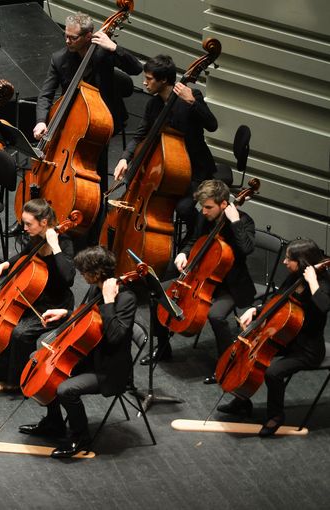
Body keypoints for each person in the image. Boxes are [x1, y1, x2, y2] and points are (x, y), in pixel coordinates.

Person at [33, 12, 142, 243]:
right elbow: (46, 94)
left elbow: (136, 69)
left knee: (96, 176)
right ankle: (38, 213)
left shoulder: (104, 53)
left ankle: (93, 227)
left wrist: (114, 47)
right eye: (66, 36)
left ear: (88, 36)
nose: (67, 41)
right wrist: (42, 120)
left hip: (100, 122)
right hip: (69, 120)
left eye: (73, 38)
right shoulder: (60, 58)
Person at [19, 246, 136, 458]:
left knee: (65, 389)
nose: (81, 276)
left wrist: (109, 301)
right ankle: (54, 422)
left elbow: (115, 336)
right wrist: (66, 313)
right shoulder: (95, 289)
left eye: (84, 272)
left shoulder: (125, 299)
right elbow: (88, 317)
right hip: (88, 356)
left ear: (97, 273)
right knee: (40, 364)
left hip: (109, 369)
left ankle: (80, 437)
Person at [146, 180, 256, 383]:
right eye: (202, 207)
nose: (203, 211)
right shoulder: (204, 219)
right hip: (200, 276)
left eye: (208, 207)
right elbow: (192, 240)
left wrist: (235, 222)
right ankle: (163, 348)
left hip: (229, 284)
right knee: (157, 294)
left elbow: (248, 248)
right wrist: (184, 253)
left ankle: (224, 365)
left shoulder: (244, 221)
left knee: (216, 316)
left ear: (224, 204)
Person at [216, 239, 330, 436]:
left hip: (307, 349)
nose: (285, 262)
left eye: (289, 259)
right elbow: (278, 301)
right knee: (247, 349)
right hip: (286, 337)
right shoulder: (295, 276)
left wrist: (312, 281)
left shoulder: (323, 282)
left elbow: (324, 306)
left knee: (273, 372)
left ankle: (275, 416)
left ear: (302, 262)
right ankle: (242, 401)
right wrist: (256, 310)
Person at [113, 54, 218, 233]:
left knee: (183, 209)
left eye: (149, 79)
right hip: (168, 171)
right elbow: (139, 136)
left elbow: (212, 125)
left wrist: (192, 102)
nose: (144, 83)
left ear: (163, 80)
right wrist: (124, 158)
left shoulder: (192, 96)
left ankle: (197, 236)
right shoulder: (153, 105)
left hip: (195, 170)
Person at [0, 199, 75, 386]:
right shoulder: (35, 237)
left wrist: (55, 247)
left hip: (54, 303)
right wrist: (5, 265)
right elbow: (25, 255)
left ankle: (21, 379)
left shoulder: (63, 243)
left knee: (20, 333)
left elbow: (69, 278)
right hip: (33, 294)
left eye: (28, 223)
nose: (24, 227)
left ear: (44, 223)